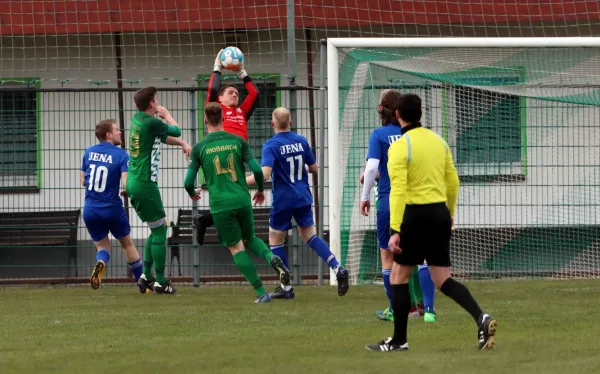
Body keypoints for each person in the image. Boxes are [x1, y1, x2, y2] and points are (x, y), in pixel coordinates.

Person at [366, 94, 497, 352]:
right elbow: (453, 181)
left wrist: (395, 230)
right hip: (439, 213)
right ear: (421, 113)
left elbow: (399, 190)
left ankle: (399, 340)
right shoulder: (439, 142)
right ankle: (481, 318)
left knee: (398, 275)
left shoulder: (400, 147)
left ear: (398, 116)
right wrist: (449, 213)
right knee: (442, 278)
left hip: (415, 216)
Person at [184, 102, 291, 303]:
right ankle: (273, 259)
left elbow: (188, 182)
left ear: (205, 120)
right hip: (242, 199)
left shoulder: (199, 148)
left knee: (236, 247)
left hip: (221, 204)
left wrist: (192, 192)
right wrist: (259, 189)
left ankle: (261, 293)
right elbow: (258, 171)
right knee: (250, 238)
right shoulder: (237, 141)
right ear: (223, 118)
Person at [246, 107, 350, 299]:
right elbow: (314, 168)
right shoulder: (301, 140)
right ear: (291, 122)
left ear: (272, 123)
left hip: (283, 199)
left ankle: (286, 287)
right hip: (303, 196)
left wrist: (240, 181)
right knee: (310, 236)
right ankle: (337, 267)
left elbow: (265, 174)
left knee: (275, 241)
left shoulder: (271, 145)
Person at [360, 89, 436, 322]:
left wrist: (365, 195)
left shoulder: (379, 135)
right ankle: (427, 310)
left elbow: (373, 168)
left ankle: (397, 309)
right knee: (420, 256)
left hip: (389, 202)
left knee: (389, 259)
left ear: (384, 108)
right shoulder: (413, 134)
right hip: (415, 203)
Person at [126, 86, 191, 295]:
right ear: (152, 104)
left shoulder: (137, 120)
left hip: (135, 181)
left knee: (157, 226)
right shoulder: (153, 121)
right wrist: (167, 115)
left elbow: (163, 137)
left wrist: (181, 144)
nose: (158, 102)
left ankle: (146, 275)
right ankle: (161, 281)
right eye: (156, 100)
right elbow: (175, 129)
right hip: (145, 183)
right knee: (160, 230)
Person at [195, 49, 261, 243]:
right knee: (232, 196)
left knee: (234, 197)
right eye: (230, 92)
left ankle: (207, 221)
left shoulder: (241, 111)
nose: (235, 95)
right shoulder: (216, 110)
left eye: (237, 93)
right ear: (220, 99)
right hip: (219, 154)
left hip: (237, 157)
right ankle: (211, 222)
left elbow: (254, 93)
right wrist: (217, 69)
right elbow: (212, 91)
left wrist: (242, 73)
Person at [81, 119, 144, 292]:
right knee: (127, 244)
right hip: (112, 207)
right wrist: (128, 191)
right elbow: (126, 183)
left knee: (102, 246)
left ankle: (101, 262)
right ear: (108, 135)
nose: (120, 132)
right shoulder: (121, 155)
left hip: (90, 209)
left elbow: (83, 181)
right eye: (117, 130)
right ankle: (142, 283)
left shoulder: (88, 152)